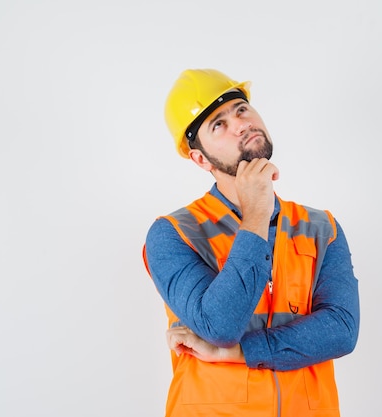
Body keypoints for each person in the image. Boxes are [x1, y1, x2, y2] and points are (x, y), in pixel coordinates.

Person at [142, 68, 360, 417]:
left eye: (241, 109)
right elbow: (220, 325)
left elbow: (341, 331)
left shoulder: (322, 227)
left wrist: (237, 352)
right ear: (200, 158)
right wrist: (256, 212)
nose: (240, 124)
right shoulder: (173, 233)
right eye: (219, 125)